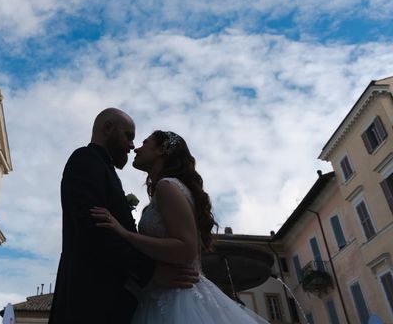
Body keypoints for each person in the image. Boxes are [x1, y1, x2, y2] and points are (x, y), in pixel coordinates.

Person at [91, 130, 270, 324]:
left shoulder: (167, 186)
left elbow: (185, 249)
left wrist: (126, 234)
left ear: (161, 150)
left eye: (145, 142)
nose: (136, 148)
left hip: (176, 298)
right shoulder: (172, 188)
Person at [49, 110, 198, 324]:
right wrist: (150, 272)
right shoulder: (86, 160)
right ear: (108, 128)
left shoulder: (108, 171)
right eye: (129, 136)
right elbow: (93, 228)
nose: (132, 146)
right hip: (88, 302)